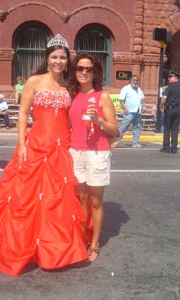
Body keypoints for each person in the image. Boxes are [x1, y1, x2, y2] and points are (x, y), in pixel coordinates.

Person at [0, 34, 88, 276]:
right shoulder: (35, 81)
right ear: (47, 59)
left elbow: (75, 114)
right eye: (54, 57)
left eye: (62, 57)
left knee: (58, 198)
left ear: (67, 60)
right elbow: (24, 113)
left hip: (61, 146)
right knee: (25, 196)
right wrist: (22, 143)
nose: (58, 61)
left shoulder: (69, 85)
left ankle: (56, 247)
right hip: (36, 144)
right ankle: (24, 243)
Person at [68, 52, 118, 262]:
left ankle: (95, 243)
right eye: (80, 68)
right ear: (75, 71)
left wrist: (98, 119)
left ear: (95, 72)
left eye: (89, 69)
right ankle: (81, 237)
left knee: (96, 201)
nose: (84, 72)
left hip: (97, 152)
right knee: (81, 199)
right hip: (75, 152)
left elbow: (114, 129)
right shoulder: (72, 94)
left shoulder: (102, 96)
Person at [115, 75, 145, 148]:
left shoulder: (139, 89)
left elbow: (142, 100)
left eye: (137, 80)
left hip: (137, 112)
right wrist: (125, 109)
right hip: (129, 112)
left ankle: (135, 142)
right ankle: (116, 141)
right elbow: (121, 100)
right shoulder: (126, 88)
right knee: (123, 127)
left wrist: (144, 106)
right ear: (130, 81)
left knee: (137, 128)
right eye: (134, 80)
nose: (135, 81)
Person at [160, 71, 180, 154]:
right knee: (175, 130)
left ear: (174, 78)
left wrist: (161, 106)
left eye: (169, 77)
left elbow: (164, 97)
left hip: (170, 109)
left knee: (167, 129)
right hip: (178, 110)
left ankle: (166, 148)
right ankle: (174, 148)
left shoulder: (170, 87)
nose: (168, 79)